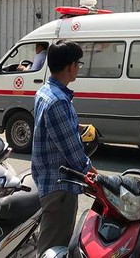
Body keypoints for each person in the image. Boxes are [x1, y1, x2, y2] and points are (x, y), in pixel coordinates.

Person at [31, 39, 93, 255]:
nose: (79, 68)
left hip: (48, 179)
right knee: (53, 248)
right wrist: (94, 175)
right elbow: (73, 153)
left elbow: (52, 130)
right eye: (79, 63)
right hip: (59, 187)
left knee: (51, 241)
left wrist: (75, 126)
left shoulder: (46, 92)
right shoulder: (58, 101)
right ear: (70, 66)